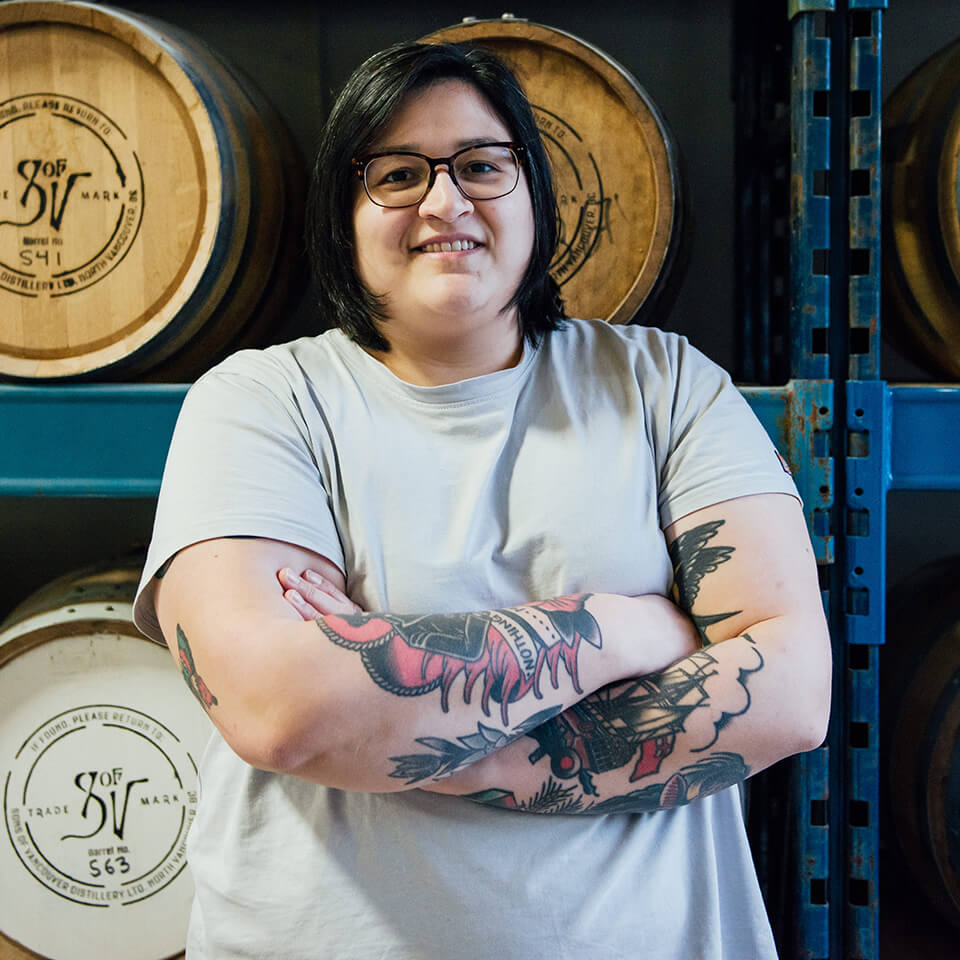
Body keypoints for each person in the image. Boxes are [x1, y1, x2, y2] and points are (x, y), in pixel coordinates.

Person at [133, 39, 831, 960]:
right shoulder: (263, 401)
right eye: (396, 173)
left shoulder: (664, 383)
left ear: (532, 195)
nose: (444, 200)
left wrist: (429, 742)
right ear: (343, 213)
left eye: (481, 165)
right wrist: (627, 629)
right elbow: (281, 709)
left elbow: (790, 694)